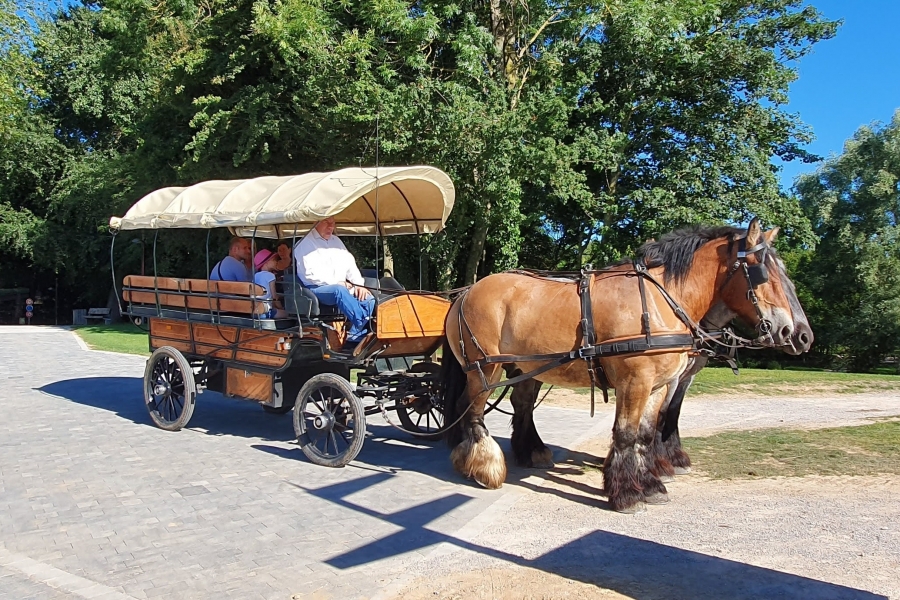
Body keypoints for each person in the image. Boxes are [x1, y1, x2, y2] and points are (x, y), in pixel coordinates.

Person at [293, 216, 375, 349]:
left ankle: (354, 335)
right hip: (316, 289)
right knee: (339, 290)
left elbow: (350, 265)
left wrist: (359, 284)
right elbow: (310, 274)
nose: (331, 226)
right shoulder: (304, 243)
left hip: (342, 286)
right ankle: (365, 324)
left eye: (333, 223)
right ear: (316, 222)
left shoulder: (336, 241)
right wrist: (337, 282)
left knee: (368, 298)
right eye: (326, 222)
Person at [252, 249, 288, 319]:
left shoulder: (256, 275)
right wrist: (281, 308)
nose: (276, 262)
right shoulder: (270, 276)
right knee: (288, 314)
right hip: (266, 311)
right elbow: (274, 297)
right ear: (267, 262)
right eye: (274, 260)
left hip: (255, 311)